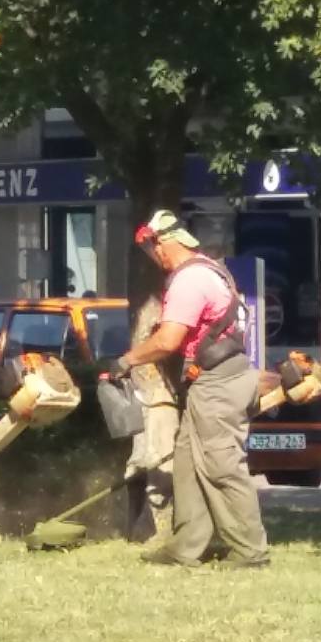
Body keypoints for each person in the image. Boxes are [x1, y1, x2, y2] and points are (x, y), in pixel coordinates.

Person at [112, 209, 269, 569]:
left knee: (221, 464)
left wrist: (127, 360)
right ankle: (186, 547)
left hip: (217, 384)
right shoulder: (211, 270)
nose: (155, 259)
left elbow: (168, 340)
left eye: (153, 251)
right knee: (187, 463)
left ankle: (250, 551)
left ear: (163, 244)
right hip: (216, 379)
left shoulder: (188, 280)